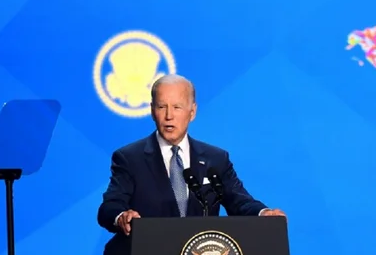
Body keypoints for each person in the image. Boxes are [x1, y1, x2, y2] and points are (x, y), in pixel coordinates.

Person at [97, 74, 285, 235]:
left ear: (192, 112)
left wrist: (263, 213)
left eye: (177, 107)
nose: (169, 116)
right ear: (152, 111)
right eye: (162, 107)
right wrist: (121, 217)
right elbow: (109, 207)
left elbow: (239, 201)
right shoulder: (130, 158)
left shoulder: (216, 158)